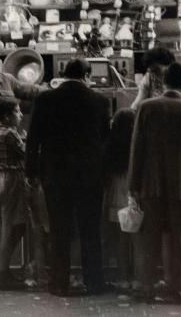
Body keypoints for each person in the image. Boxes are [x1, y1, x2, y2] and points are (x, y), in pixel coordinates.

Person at [25, 58, 110, 296]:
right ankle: (94, 283)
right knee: (90, 230)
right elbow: (105, 140)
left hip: (55, 175)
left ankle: (59, 283)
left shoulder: (45, 98)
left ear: (63, 74)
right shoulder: (100, 101)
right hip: (89, 176)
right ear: (87, 76)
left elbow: (33, 139)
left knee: (59, 230)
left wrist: (31, 171)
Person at [128, 63, 181, 302]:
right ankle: (178, 288)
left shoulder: (145, 108)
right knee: (180, 239)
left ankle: (147, 287)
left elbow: (137, 150)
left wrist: (133, 186)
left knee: (150, 238)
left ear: (163, 82)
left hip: (150, 184)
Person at [0, 97, 28, 291]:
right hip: (11, 180)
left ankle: (0, 270)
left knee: (12, 227)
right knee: (10, 229)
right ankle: (2, 275)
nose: (20, 114)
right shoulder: (11, 133)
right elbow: (26, 154)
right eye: (17, 111)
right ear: (6, 115)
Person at [130, 46, 181, 121]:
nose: (155, 75)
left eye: (157, 70)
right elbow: (136, 105)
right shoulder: (149, 78)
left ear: (171, 66)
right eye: (152, 71)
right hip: (157, 124)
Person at [102, 108, 136, 291]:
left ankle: (123, 278)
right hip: (136, 193)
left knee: (121, 240)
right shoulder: (138, 143)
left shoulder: (111, 145)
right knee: (137, 240)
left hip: (116, 192)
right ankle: (139, 278)